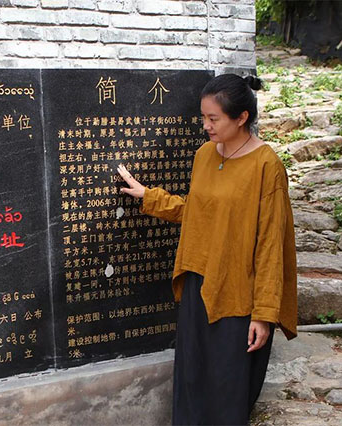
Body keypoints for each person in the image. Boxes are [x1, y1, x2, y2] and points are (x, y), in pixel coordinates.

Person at [117, 74, 298, 425]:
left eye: (213, 119)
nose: (206, 126)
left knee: (226, 388)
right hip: (198, 282)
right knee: (193, 379)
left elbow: (270, 244)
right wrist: (149, 197)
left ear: (241, 118)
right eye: (203, 117)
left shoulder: (266, 166)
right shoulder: (204, 155)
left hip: (238, 294)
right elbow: (200, 214)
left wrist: (263, 313)